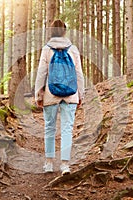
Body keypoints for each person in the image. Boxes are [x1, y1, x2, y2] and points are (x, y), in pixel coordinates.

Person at [34, 19, 84, 175]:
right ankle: (65, 165)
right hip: (70, 94)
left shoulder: (46, 49)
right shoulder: (73, 49)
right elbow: (78, 73)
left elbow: (42, 72)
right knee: (67, 129)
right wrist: (80, 94)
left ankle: (49, 163)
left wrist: (38, 93)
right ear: (64, 31)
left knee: (49, 128)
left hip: (51, 94)